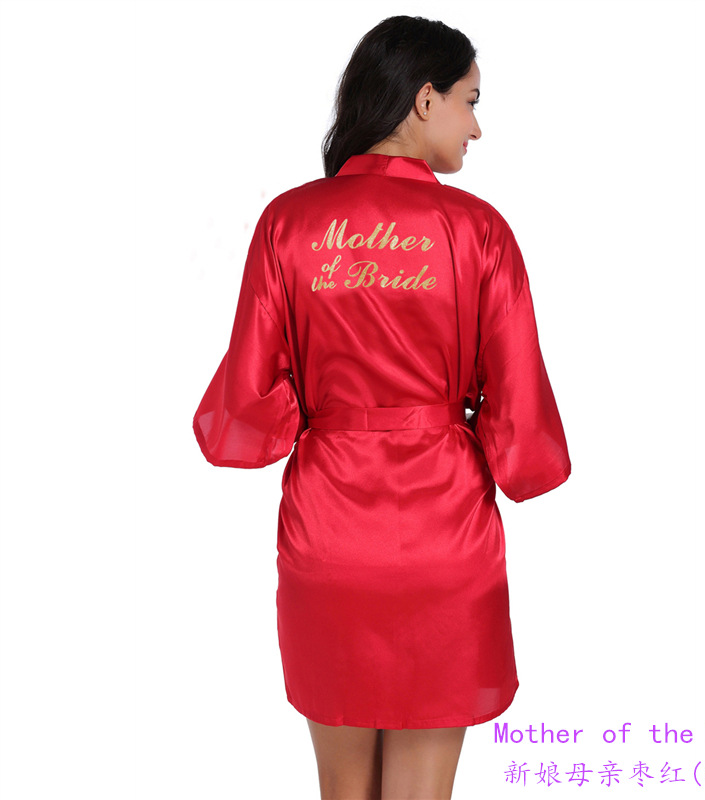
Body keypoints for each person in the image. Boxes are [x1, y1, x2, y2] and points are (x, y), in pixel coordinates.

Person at [192, 14, 571, 800]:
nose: (477, 127)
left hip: (329, 532)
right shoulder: (480, 231)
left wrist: (317, 410)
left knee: (341, 789)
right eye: (471, 101)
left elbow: (244, 408)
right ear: (425, 99)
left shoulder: (289, 223)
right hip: (445, 533)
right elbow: (521, 420)